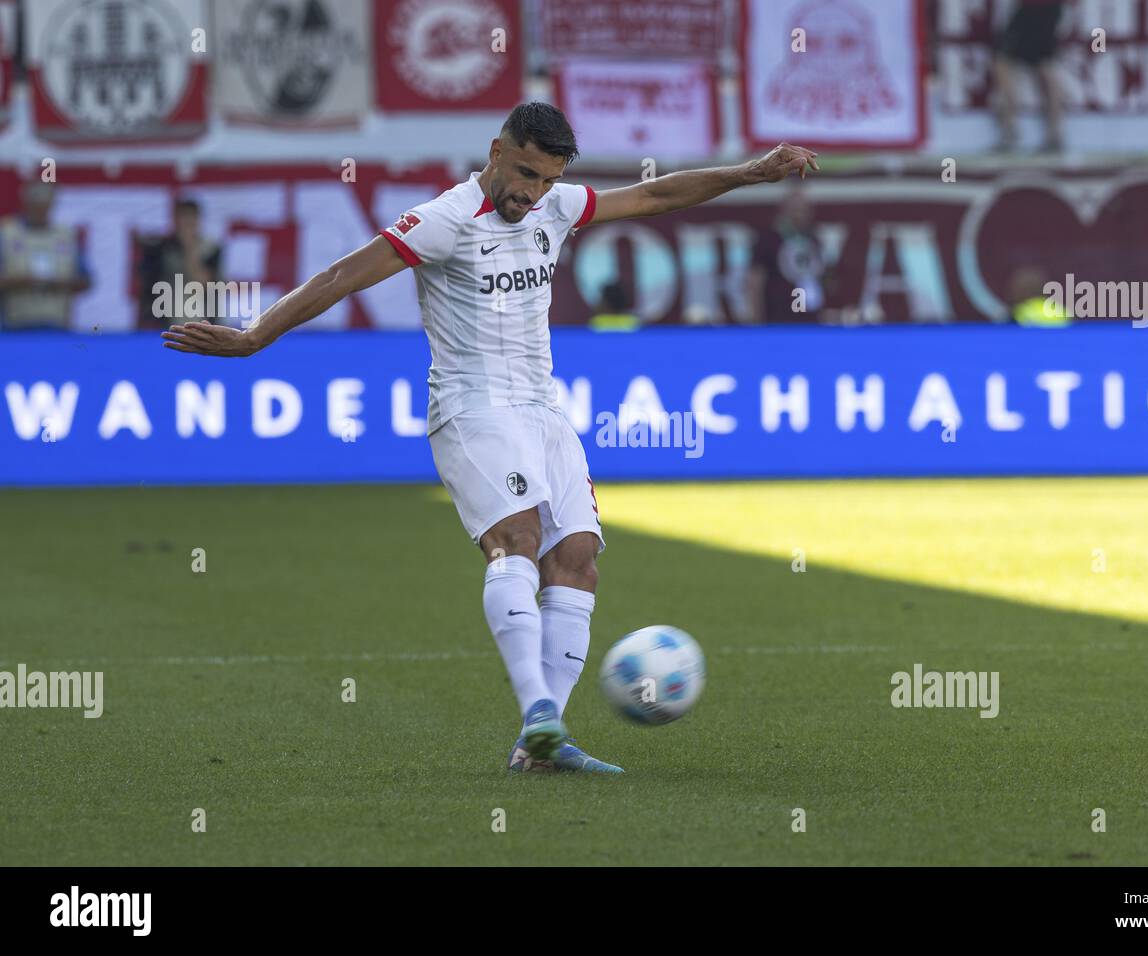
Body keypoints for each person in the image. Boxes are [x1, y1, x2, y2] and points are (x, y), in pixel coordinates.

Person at [163, 102, 818, 774]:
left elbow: (655, 193)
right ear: (497, 149)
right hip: (471, 407)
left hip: (542, 408)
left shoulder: (554, 209)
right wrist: (254, 337)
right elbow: (341, 276)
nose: (530, 193)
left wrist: (753, 171)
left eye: (544, 180)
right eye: (524, 174)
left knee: (579, 557)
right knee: (519, 541)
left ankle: (543, 744)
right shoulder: (443, 220)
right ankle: (538, 713)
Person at [0, 182, 91, 330]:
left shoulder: (65, 236)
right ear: (26, 203)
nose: (40, 210)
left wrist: (60, 283)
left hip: (56, 324)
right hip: (15, 326)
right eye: (35, 205)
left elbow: (86, 280)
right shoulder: (7, 234)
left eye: (45, 205)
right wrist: (20, 282)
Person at [992, 0, 1067, 153]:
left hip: (1035, 9)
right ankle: (1053, 133)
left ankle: (1011, 129)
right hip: (1040, 8)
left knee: (1007, 61)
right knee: (1044, 66)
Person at [137, 197, 222, 328]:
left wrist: (189, 248)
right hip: (165, 319)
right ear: (175, 221)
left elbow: (205, 283)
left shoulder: (210, 249)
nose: (188, 223)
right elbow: (149, 286)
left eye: (191, 218)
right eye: (184, 218)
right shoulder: (162, 249)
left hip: (203, 319)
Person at [747, 185, 826, 324]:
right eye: (795, 209)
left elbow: (818, 277)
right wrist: (756, 316)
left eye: (803, 209)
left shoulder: (813, 239)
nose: (800, 213)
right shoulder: (769, 239)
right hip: (778, 315)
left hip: (809, 317)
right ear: (783, 210)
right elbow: (755, 279)